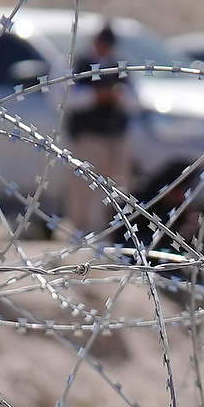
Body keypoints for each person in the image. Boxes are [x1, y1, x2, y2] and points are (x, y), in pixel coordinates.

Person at [62, 22, 134, 242]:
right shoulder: (81, 65)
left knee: (115, 186)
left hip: (114, 137)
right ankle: (80, 231)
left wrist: (117, 96)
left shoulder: (118, 67)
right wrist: (97, 96)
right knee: (83, 187)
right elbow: (67, 99)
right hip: (88, 137)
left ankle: (110, 231)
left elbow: (135, 101)